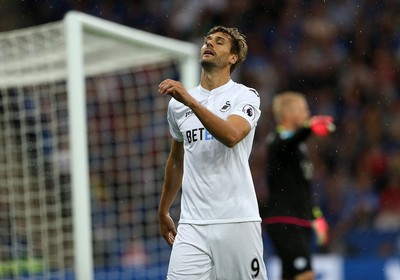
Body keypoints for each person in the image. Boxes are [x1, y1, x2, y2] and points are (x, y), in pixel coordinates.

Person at [158, 26, 268, 280]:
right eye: (207, 41)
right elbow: (176, 159)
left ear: (233, 58)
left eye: (219, 42)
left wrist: (192, 102)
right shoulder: (178, 105)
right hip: (192, 225)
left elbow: (231, 136)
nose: (209, 44)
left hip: (236, 220)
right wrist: (163, 210)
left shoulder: (245, 96)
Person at [259, 91, 332, 280]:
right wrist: (309, 128)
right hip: (284, 219)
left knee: (291, 275)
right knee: (305, 274)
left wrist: (316, 217)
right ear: (287, 114)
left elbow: (304, 188)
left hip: (300, 219)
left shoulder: (299, 146)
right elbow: (287, 143)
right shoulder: (276, 140)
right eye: (303, 109)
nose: (307, 114)